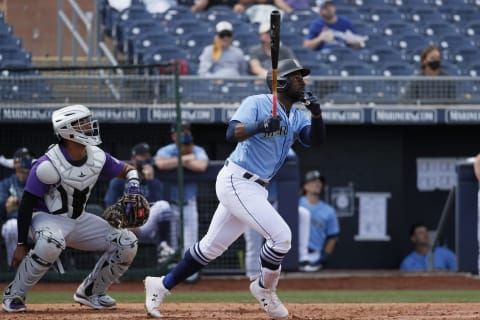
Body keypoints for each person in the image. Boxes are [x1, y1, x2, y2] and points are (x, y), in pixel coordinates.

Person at [144, 58, 326, 319]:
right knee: (282, 237)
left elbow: (315, 140)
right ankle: (264, 288)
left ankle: (160, 285)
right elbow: (232, 133)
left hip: (257, 187)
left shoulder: (297, 115)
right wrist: (261, 125)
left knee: (210, 248)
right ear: (282, 82)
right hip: (237, 180)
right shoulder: (257, 102)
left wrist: (317, 114)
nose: (303, 81)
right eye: (297, 77)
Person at [2, 104, 141, 313]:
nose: (89, 126)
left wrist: (134, 187)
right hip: (45, 218)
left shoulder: (97, 156)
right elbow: (26, 205)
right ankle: (14, 295)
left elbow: (128, 170)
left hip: (78, 219)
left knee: (127, 241)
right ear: (68, 131)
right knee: (52, 242)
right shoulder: (46, 165)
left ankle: (91, 291)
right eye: (83, 123)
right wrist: (22, 243)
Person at [104, 142, 177, 264]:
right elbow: (109, 202)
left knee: (165, 206)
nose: (146, 159)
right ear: (134, 159)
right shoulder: (121, 178)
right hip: (124, 223)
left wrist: (151, 181)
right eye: (142, 156)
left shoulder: (154, 181)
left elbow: (158, 203)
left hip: (146, 223)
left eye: (148, 156)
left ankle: (164, 247)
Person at [154, 122, 209, 281]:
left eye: (186, 131)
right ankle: (170, 277)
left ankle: (188, 276)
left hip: (189, 204)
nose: (185, 135)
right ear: (173, 135)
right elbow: (160, 163)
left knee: (190, 244)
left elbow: (202, 166)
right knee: (171, 246)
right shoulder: (166, 150)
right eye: (181, 132)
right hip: (170, 205)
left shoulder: (198, 150)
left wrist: (179, 161)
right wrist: (186, 159)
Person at [243, 148, 297, 278]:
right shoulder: (247, 150)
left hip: (273, 202)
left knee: (280, 241)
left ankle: (273, 276)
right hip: (252, 204)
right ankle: (253, 277)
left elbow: (291, 155)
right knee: (253, 243)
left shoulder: (278, 145)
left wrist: (271, 152)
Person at [298, 170, 340, 272]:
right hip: (293, 254)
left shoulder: (328, 210)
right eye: (313, 181)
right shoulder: (295, 204)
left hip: (314, 256)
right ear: (305, 186)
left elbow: (332, 237)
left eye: (319, 181)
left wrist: (323, 257)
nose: (318, 183)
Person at [0, 148, 33, 269]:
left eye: (27, 161)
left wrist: (18, 203)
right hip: (13, 222)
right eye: (22, 161)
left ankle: (48, 269)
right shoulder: (7, 183)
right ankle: (15, 268)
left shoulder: (36, 181)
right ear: (16, 164)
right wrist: (5, 207)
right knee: (12, 227)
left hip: (34, 222)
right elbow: (2, 208)